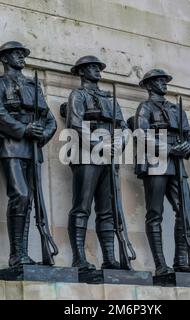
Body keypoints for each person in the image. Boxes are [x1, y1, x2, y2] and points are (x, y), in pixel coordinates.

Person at [0, 41, 57, 267]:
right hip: (11, 145)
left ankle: (22, 254)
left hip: (33, 148)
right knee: (21, 195)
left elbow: (50, 119)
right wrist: (23, 129)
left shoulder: (33, 86)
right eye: (16, 54)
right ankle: (16, 253)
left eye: (22, 54)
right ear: (5, 59)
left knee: (31, 201)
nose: (21, 57)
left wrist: (42, 134)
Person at [134, 69, 190, 276]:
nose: (164, 83)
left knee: (187, 210)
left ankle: (181, 259)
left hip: (176, 162)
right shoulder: (145, 107)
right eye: (159, 81)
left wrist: (188, 145)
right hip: (156, 161)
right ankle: (160, 264)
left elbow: (189, 135)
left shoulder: (176, 108)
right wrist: (167, 149)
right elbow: (142, 134)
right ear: (148, 85)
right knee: (155, 213)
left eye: (165, 80)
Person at [65, 55, 128, 271]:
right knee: (82, 207)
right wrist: (99, 145)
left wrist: (117, 145)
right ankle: (79, 258)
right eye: (91, 68)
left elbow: (124, 127)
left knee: (108, 210)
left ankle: (109, 258)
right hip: (86, 155)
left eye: (98, 67)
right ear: (81, 72)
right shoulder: (78, 95)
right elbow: (75, 123)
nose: (97, 71)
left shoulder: (111, 99)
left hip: (110, 156)